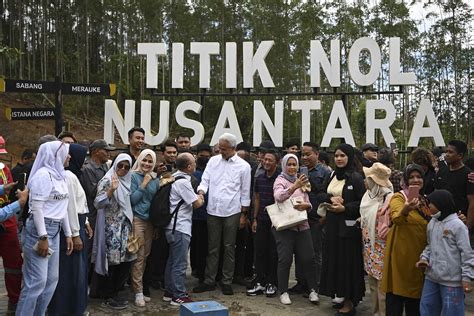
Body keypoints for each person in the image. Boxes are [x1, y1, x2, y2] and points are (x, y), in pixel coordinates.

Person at [16, 141, 74, 315]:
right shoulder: (42, 176)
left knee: (51, 280)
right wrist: (42, 237)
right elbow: (37, 208)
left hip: (54, 230)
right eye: (65, 152)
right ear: (55, 155)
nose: (69, 156)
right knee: (36, 281)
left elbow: (62, 206)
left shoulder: (61, 175)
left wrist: (68, 233)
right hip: (40, 230)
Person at [193, 133, 251, 296]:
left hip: (233, 210)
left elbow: (245, 192)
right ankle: (209, 280)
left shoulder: (243, 166)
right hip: (213, 209)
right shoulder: (213, 161)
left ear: (233, 148)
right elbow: (205, 180)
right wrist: (201, 192)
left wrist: (243, 214)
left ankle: (226, 281)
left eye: (223, 149)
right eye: (219, 148)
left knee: (229, 247)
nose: (220, 151)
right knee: (212, 247)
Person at [318, 143, 366, 315]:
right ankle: (339, 296)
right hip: (332, 228)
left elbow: (363, 203)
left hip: (348, 231)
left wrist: (345, 208)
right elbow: (321, 193)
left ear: (350, 157)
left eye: (342, 156)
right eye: (336, 156)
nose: (338, 159)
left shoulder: (356, 177)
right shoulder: (332, 175)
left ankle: (350, 302)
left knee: (348, 265)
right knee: (335, 263)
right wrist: (331, 199)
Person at [382, 164, 430, 316]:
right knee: (396, 294)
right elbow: (396, 218)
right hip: (401, 255)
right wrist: (406, 209)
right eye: (411, 177)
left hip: (420, 255)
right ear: (405, 180)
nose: (415, 180)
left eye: (419, 177)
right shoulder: (399, 197)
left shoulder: (425, 201)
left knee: (415, 299)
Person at [417, 189, 474, 316]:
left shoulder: (458, 226)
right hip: (431, 277)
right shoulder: (432, 223)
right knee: (427, 308)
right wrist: (424, 258)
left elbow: (467, 253)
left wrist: (466, 278)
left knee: (452, 312)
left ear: (441, 204)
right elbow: (429, 246)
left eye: (431, 203)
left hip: (452, 281)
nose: (428, 206)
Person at [49, 143, 90, 316]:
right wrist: (75, 234)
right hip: (74, 227)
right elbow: (70, 206)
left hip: (77, 224)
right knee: (72, 272)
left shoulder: (67, 175)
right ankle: (71, 309)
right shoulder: (69, 177)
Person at [272, 153, 318, 305]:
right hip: (285, 227)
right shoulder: (280, 180)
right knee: (285, 260)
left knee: (309, 258)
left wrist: (307, 206)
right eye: (289, 164)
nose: (292, 167)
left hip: (302, 224)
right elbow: (278, 197)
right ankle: (283, 291)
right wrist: (294, 186)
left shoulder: (302, 180)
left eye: (294, 164)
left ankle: (312, 290)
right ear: (284, 165)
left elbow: (308, 201)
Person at [92, 153, 135, 310]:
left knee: (124, 262)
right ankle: (108, 295)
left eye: (126, 167)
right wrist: (111, 191)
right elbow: (98, 203)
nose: (123, 169)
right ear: (114, 165)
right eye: (120, 166)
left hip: (124, 228)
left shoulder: (127, 181)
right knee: (111, 262)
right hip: (111, 229)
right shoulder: (107, 180)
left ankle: (116, 292)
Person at [164, 153, 204, 305]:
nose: (195, 164)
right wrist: (200, 194)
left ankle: (169, 291)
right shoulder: (183, 183)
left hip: (172, 226)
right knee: (180, 263)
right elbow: (197, 203)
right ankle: (179, 295)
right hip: (180, 227)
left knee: (172, 261)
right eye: (193, 162)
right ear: (188, 167)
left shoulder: (174, 177)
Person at [293, 142, 330, 296]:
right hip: (299, 217)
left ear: (317, 155)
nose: (305, 157)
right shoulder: (297, 171)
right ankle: (301, 282)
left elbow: (329, 196)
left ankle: (315, 285)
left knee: (314, 253)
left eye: (308, 154)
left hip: (316, 218)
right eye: (303, 154)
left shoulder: (326, 172)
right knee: (299, 252)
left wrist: (324, 218)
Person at [360, 162, 393, 316]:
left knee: (382, 287)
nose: (365, 181)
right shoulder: (369, 195)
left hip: (382, 248)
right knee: (373, 284)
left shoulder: (389, 198)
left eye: (367, 178)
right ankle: (375, 312)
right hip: (370, 247)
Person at [247, 151, 280, 297]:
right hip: (261, 219)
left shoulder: (280, 178)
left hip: (276, 222)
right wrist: (254, 219)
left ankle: (272, 282)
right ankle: (260, 281)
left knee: (273, 253)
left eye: (270, 160)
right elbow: (257, 199)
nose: (266, 162)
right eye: (265, 159)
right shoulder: (259, 178)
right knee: (259, 251)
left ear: (276, 163)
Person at [130, 149, 160, 307]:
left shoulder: (155, 179)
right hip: (137, 220)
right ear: (139, 160)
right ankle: (138, 292)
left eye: (150, 161)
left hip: (150, 222)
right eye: (144, 160)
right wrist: (144, 184)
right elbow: (132, 200)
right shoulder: (133, 176)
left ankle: (139, 288)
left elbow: (156, 202)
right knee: (138, 257)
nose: (147, 164)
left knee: (146, 256)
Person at [0, 136, 24, 314]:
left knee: (14, 264)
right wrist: (19, 204)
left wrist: (4, 189)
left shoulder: (4, 169)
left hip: (7, 222)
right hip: (5, 214)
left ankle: (14, 301)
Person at [434, 140, 474, 230]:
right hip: (441, 222)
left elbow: (472, 203)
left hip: (460, 222)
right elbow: (436, 196)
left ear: (460, 155)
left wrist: (468, 226)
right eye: (446, 151)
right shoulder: (441, 172)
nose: (447, 154)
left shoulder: (469, 175)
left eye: (450, 152)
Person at [190, 144, 212, 284]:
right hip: (192, 215)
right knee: (194, 245)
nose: (204, 158)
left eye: (207, 156)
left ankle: (203, 272)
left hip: (208, 214)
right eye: (201, 155)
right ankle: (195, 269)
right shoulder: (191, 173)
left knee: (204, 245)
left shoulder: (211, 172)